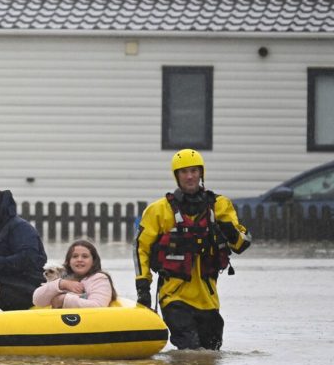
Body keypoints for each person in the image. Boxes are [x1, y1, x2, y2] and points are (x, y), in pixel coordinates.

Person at [135, 149, 251, 350]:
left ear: (201, 173)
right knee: (190, 351)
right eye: (184, 172)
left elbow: (241, 243)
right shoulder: (158, 211)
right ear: (176, 176)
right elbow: (140, 249)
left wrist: (230, 232)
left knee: (210, 355)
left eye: (194, 171)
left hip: (208, 299)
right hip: (174, 297)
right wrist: (143, 288)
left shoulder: (220, 206)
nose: (190, 176)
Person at [32, 239, 117, 308]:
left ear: (93, 261)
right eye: (75, 256)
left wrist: (63, 299)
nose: (79, 259)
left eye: (85, 256)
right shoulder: (61, 278)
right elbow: (38, 301)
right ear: (69, 262)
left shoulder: (100, 279)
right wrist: (61, 284)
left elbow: (98, 306)